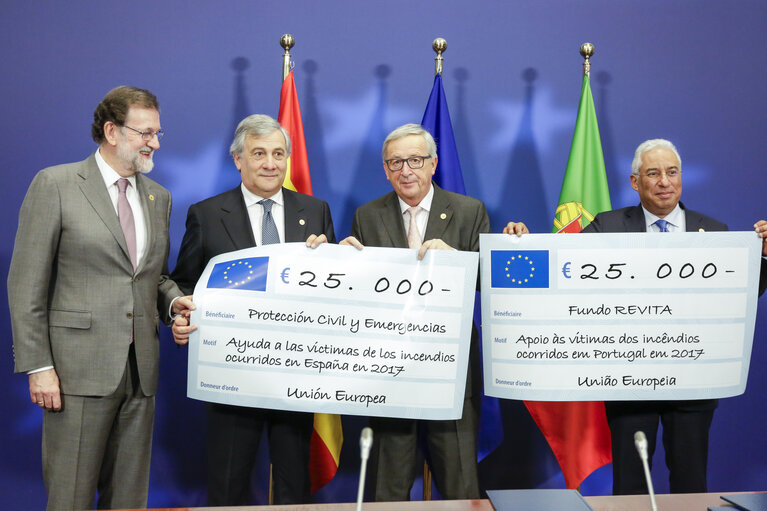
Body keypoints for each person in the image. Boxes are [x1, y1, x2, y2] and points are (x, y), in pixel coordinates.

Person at [505, 138, 767, 495]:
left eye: (672, 172)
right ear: (635, 182)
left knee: (691, 481)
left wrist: (763, 257)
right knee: (630, 483)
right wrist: (520, 244)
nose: (664, 181)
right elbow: (564, 268)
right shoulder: (607, 226)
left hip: (692, 377)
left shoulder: (715, 231)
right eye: (653, 173)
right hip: (629, 376)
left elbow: (741, 295)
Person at [7, 86, 193, 511]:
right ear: (111, 130)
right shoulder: (55, 184)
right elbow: (25, 284)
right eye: (145, 133)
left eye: (158, 133)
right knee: (71, 496)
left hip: (140, 374)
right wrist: (39, 367)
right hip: (76, 374)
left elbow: (152, 276)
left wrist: (172, 303)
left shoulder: (158, 196)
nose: (155, 143)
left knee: (128, 499)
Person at [170, 114, 335, 505]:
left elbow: (332, 286)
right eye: (258, 153)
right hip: (232, 373)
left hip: (295, 372)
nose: (270, 163)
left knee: (296, 480)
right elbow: (184, 283)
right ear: (238, 159)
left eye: (279, 154)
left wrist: (340, 259)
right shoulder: (207, 214)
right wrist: (182, 313)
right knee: (229, 481)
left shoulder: (315, 211)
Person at [340, 123, 489, 501]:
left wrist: (457, 260)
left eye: (415, 160)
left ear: (433, 163)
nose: (405, 170)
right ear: (386, 170)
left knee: (460, 485)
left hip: (451, 371)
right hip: (390, 370)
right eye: (395, 163)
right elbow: (359, 292)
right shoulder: (367, 215)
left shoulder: (469, 211)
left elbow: (488, 282)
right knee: (388, 487)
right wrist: (341, 265)